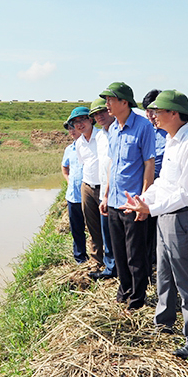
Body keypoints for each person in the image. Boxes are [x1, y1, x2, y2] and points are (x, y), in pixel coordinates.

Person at [121, 90, 188, 358]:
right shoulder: (172, 140)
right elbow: (164, 183)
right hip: (166, 215)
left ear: (174, 113)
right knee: (165, 274)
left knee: (187, 280)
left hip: (182, 217)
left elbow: (185, 192)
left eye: (158, 111)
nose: (153, 116)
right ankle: (163, 322)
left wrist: (152, 208)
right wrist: (143, 201)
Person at [98, 82, 155, 309]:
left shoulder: (143, 127)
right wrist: (105, 196)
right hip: (113, 203)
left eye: (111, 100)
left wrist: (143, 200)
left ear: (124, 102)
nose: (107, 105)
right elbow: (112, 165)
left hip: (132, 203)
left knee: (135, 253)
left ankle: (138, 297)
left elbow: (148, 164)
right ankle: (124, 289)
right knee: (119, 251)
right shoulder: (113, 129)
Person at [69, 106, 108, 268]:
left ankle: (112, 260)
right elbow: (84, 164)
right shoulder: (79, 143)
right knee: (92, 226)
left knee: (107, 225)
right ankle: (97, 260)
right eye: (75, 122)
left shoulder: (102, 137)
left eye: (83, 120)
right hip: (87, 187)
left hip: (103, 187)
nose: (79, 124)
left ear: (91, 120)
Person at [89, 98, 117, 280]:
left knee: (119, 233)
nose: (99, 116)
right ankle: (110, 267)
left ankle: (122, 268)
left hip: (120, 191)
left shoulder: (118, 132)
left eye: (102, 112)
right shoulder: (99, 137)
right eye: (95, 114)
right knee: (106, 231)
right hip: (103, 191)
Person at [142, 89, 167, 271]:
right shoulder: (145, 130)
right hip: (147, 184)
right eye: (147, 111)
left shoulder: (170, 132)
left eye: (153, 111)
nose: (150, 115)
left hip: (165, 186)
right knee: (148, 225)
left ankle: (162, 260)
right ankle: (150, 260)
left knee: (163, 225)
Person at [62, 118, 87, 264]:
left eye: (73, 127)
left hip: (89, 195)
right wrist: (68, 180)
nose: (71, 131)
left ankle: (100, 256)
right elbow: (64, 167)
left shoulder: (89, 145)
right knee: (76, 229)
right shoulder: (68, 149)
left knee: (95, 228)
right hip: (73, 196)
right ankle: (80, 257)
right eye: (69, 128)